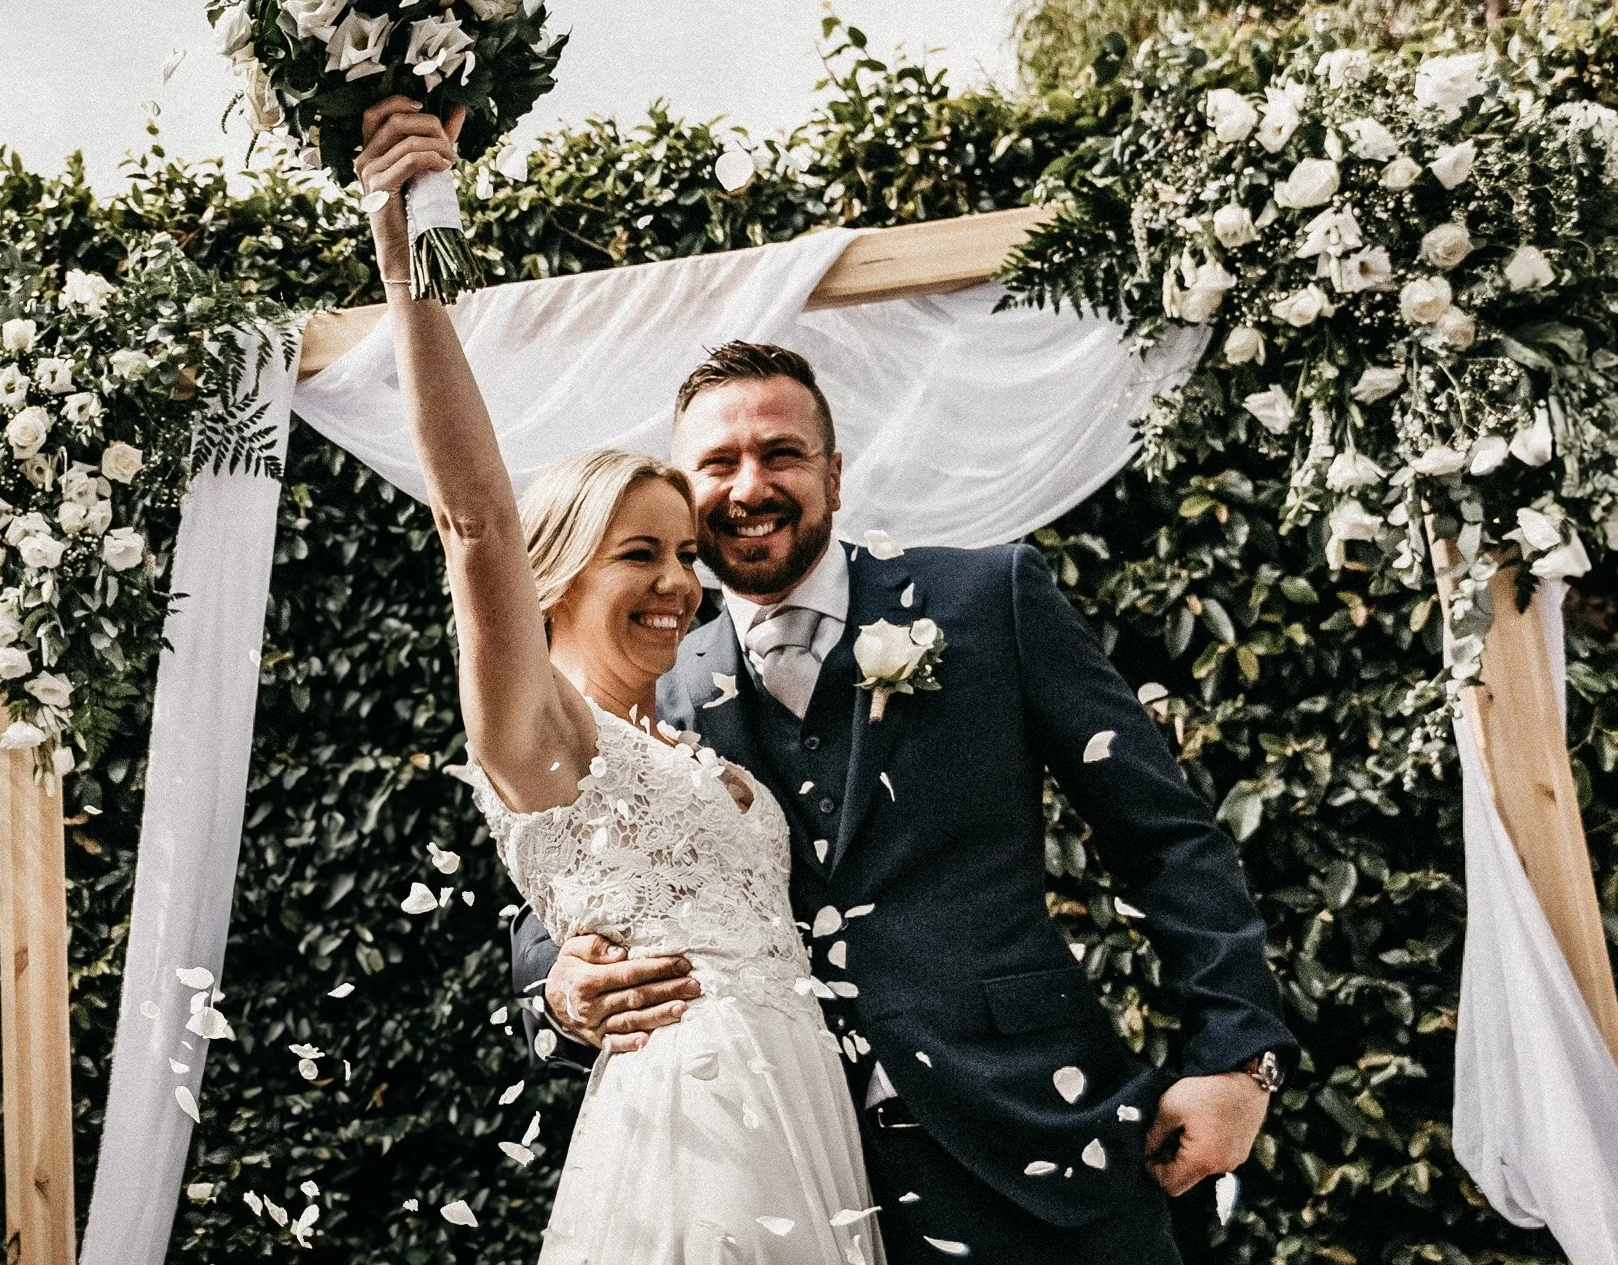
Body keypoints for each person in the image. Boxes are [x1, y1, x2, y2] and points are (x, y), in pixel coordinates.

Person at [508, 345, 1301, 1262]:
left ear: (835, 475)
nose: (750, 484)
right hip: (796, 1175)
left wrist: (1238, 1061)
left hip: (1040, 1136)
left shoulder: (987, 598)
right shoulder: (659, 674)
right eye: (718, 464)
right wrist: (558, 991)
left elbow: (1164, 837)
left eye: (782, 454)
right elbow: (567, 853)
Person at [360, 96, 887, 1263]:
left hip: (802, 1107)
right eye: (638, 554)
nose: (679, 587)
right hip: (690, 1123)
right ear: (548, 578)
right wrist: (411, 276)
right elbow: (476, 521)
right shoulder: (542, 735)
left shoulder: (686, 732)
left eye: (687, 556)